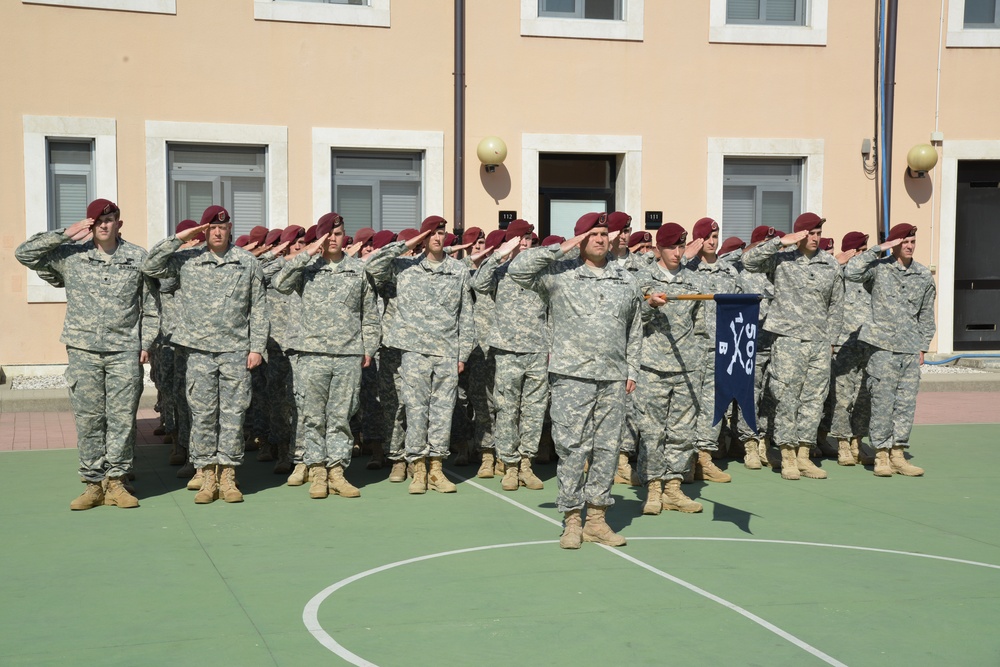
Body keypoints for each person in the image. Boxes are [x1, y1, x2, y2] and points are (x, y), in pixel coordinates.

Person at [509, 212, 643, 549]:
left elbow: (635, 328)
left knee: (607, 449)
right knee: (572, 449)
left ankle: (597, 519)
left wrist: (632, 370)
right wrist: (561, 248)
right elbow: (517, 269)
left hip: (613, 377)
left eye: (604, 233)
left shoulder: (625, 279)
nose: (601, 239)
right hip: (571, 376)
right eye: (593, 234)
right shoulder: (559, 275)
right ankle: (571, 519)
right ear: (581, 239)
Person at [16, 198, 157, 510]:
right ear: (90, 224)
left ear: (119, 223)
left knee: (121, 419)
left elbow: (150, 307)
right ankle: (93, 484)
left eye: (110, 220)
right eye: (97, 220)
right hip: (83, 349)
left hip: (124, 350)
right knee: (89, 419)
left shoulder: (137, 257)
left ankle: (117, 482)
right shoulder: (71, 255)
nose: (103, 225)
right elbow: (24, 253)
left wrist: (145, 343)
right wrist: (68, 232)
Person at [142, 205, 268, 504]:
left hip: (236, 351)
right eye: (211, 227)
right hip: (197, 352)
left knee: (234, 415)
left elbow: (259, 308)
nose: (217, 232)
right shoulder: (187, 259)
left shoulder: (247, 262)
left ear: (230, 228)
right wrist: (181, 237)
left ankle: (228, 475)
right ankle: (207, 475)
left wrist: (257, 347)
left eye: (222, 227)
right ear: (204, 230)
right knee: (202, 416)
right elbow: (150, 266)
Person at [365, 216, 475, 494]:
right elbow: (372, 266)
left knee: (442, 411)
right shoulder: (405, 267)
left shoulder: (458, 270)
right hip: (413, 351)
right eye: (432, 233)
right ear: (424, 238)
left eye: (441, 233)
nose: (438, 238)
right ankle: (417, 467)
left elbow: (466, 314)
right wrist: (407, 244)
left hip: (447, 351)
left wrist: (463, 352)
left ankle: (436, 467)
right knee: (415, 409)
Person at [274, 213, 380, 498]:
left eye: (338, 234)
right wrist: (306, 253)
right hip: (312, 354)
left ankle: (336, 471)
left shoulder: (358, 270)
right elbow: (280, 284)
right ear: (319, 237)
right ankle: (317, 471)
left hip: (347, 354)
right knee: (312, 417)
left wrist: (368, 347)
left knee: (341, 417)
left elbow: (369, 313)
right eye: (328, 234)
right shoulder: (306, 268)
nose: (333, 239)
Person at [743, 212, 844, 481]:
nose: (815, 238)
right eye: (810, 233)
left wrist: (831, 340)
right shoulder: (782, 259)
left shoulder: (829, 264)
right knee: (787, 396)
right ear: (799, 234)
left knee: (814, 399)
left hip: (819, 341)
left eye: (818, 233)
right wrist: (781, 241)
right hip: (788, 339)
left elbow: (836, 305)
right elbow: (748, 261)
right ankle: (787, 455)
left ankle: (803, 455)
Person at [844, 223, 935, 477]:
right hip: (882, 347)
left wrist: (923, 347)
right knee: (882, 402)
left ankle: (898, 453)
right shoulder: (878, 269)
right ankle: (881, 454)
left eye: (912, 241)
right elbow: (851, 272)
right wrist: (878, 249)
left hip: (909, 347)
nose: (909, 245)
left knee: (905, 404)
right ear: (894, 244)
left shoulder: (922, 275)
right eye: (904, 241)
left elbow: (927, 315)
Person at [633, 223, 705, 515]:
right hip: (651, 366)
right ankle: (652, 489)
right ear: (657, 249)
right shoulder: (641, 280)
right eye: (672, 247)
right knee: (651, 432)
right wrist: (650, 306)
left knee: (682, 431)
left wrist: (699, 358)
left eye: (681, 246)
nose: (678, 253)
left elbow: (700, 327)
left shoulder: (693, 281)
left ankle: (673, 487)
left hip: (686, 366)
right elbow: (632, 320)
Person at [471, 218, 547, 492]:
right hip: (507, 350)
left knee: (534, 411)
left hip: (537, 349)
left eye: (529, 239)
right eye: (522, 239)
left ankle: (527, 463)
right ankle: (510, 465)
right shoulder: (500, 271)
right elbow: (478, 284)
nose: (527, 244)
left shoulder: (540, 272)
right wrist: (499, 254)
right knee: (507, 410)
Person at [684, 217, 740, 483]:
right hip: (692, 347)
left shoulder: (729, 272)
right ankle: (685, 460)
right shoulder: (687, 270)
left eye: (716, 237)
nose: (712, 242)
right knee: (688, 405)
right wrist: (686, 257)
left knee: (714, 404)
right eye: (707, 237)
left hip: (721, 347)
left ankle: (704, 456)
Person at [821, 231, 873, 465]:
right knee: (842, 398)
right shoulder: (837, 273)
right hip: (843, 344)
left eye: (866, 250)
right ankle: (842, 443)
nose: (864, 255)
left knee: (863, 396)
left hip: (868, 343)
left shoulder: (872, 276)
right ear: (851, 253)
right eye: (860, 251)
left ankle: (857, 442)